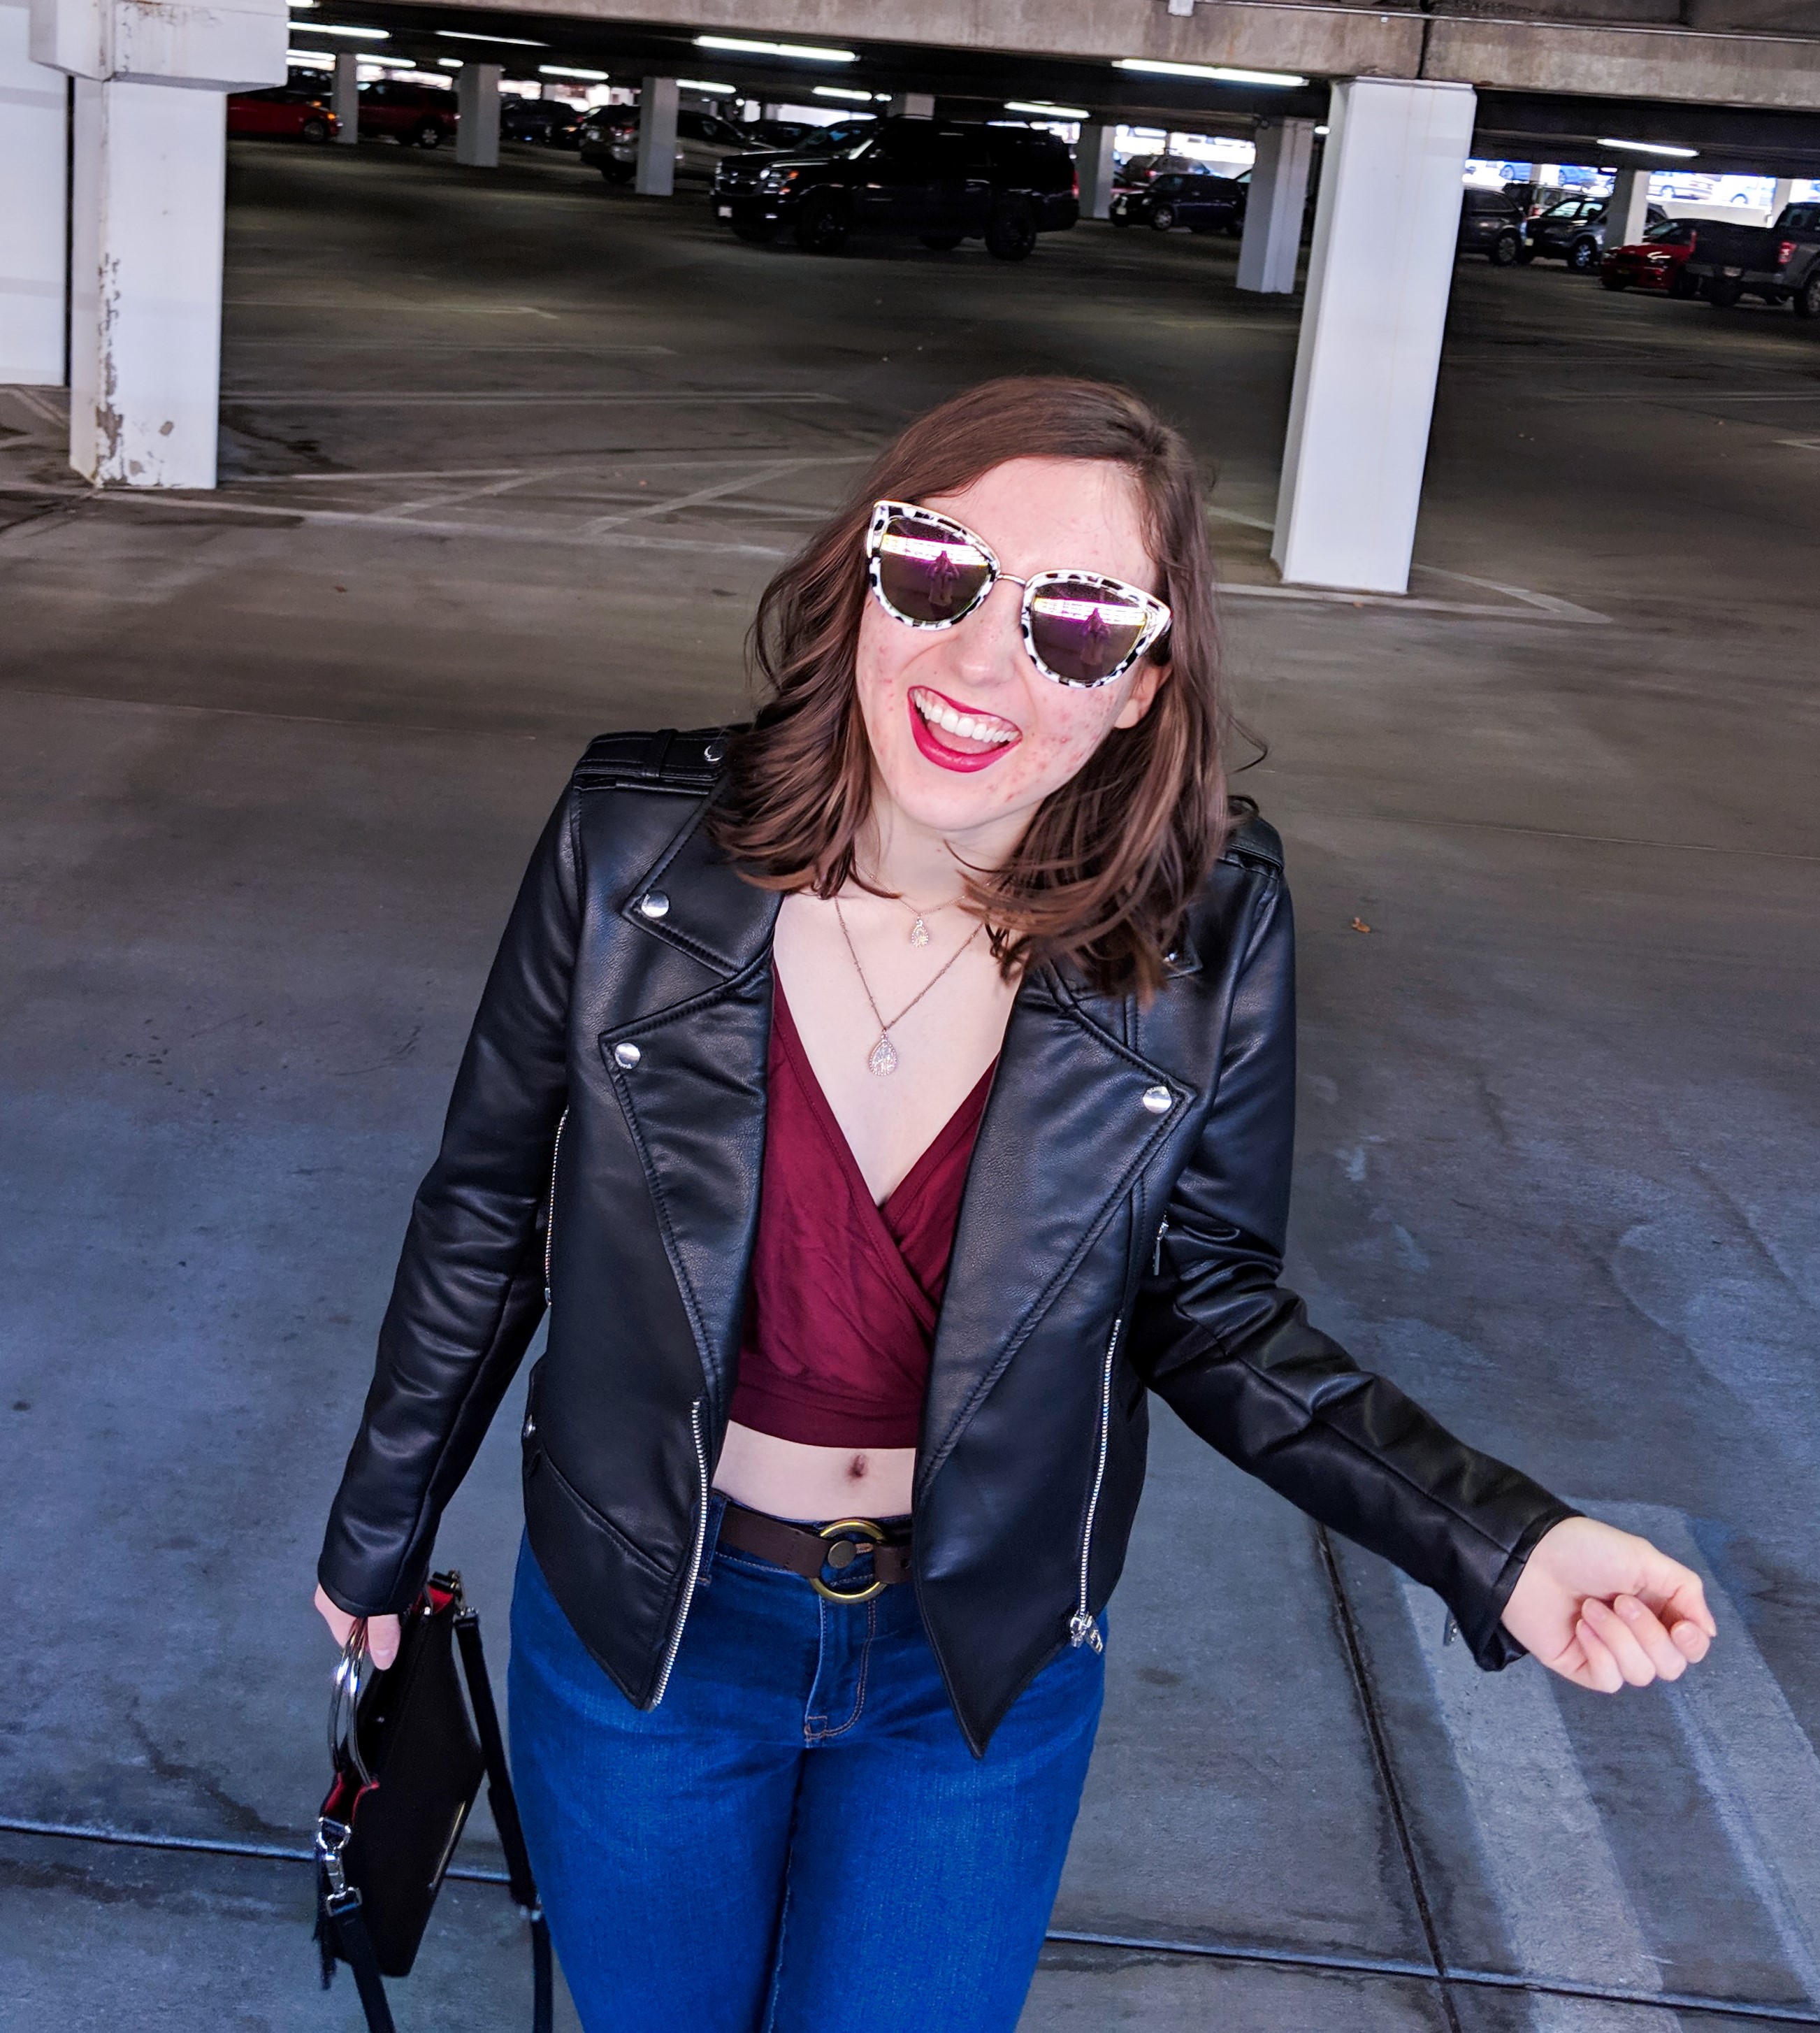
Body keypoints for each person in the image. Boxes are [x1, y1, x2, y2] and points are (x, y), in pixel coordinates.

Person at [314, 376, 1714, 2033]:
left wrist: (1502, 1541)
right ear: (863, 580)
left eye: (1077, 618)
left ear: (1140, 685)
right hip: (646, 1624)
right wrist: (378, 1533)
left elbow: (1211, 1306)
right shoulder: (635, 843)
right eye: (939, 568)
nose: (982, 659)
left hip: (969, 1660)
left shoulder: (1203, 927)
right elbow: (490, 1206)